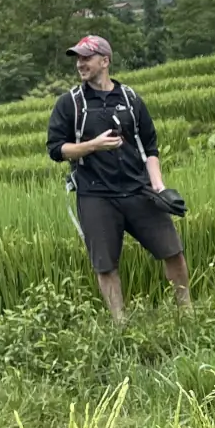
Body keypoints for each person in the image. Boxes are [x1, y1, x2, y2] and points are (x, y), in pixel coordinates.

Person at [46, 34, 190, 318]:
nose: (80, 64)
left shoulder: (130, 98)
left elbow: (149, 147)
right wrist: (93, 145)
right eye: (78, 58)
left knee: (173, 251)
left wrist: (159, 186)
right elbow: (56, 149)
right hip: (95, 195)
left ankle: (187, 312)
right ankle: (119, 324)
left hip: (138, 189)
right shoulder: (70, 103)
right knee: (105, 265)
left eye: (86, 58)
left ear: (105, 60)